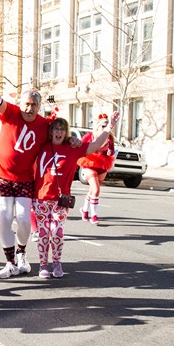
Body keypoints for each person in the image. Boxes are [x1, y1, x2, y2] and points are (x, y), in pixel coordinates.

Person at [0, 63, 60, 279]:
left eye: (34, 105)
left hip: (25, 179)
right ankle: (10, 262)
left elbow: (59, 136)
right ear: (20, 104)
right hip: (2, 175)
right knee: (5, 216)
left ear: (39, 107)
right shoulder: (11, 113)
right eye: (27, 104)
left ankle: (22, 254)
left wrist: (73, 140)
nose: (29, 109)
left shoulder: (44, 125)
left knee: (24, 219)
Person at [34, 114, 118, 278]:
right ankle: (43, 264)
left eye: (62, 129)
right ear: (50, 131)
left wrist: (110, 127)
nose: (58, 132)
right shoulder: (41, 147)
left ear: (66, 132)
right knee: (43, 233)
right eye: (55, 129)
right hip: (41, 198)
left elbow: (96, 144)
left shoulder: (73, 148)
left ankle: (56, 262)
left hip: (61, 199)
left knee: (57, 232)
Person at [78, 113, 116, 225]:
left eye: (107, 126)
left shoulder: (109, 137)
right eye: (103, 126)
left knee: (93, 189)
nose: (105, 128)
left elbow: (112, 150)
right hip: (89, 163)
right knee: (95, 188)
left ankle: (84, 209)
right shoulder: (90, 136)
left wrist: (110, 152)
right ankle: (94, 215)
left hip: (103, 164)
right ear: (98, 126)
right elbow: (81, 146)